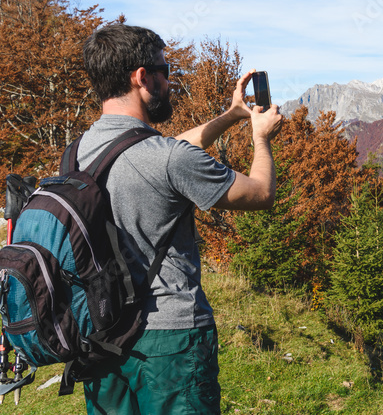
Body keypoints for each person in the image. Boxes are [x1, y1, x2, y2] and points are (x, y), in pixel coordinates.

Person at [78, 23, 283, 414]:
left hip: (101, 335)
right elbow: (261, 193)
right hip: (170, 341)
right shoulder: (168, 159)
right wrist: (260, 138)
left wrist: (232, 115)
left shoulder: (79, 152)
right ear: (141, 77)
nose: (171, 81)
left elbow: (166, 153)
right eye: (166, 70)